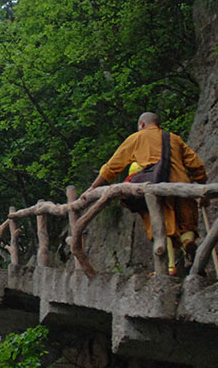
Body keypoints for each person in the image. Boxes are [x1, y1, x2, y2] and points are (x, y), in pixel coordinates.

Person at [85, 112, 208, 275]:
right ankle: (188, 242)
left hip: (156, 187)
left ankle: (169, 267)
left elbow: (112, 166)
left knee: (162, 224)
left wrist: (93, 187)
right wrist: (201, 187)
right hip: (182, 185)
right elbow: (196, 164)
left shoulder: (136, 138)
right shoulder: (174, 138)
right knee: (186, 222)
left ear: (142, 124)